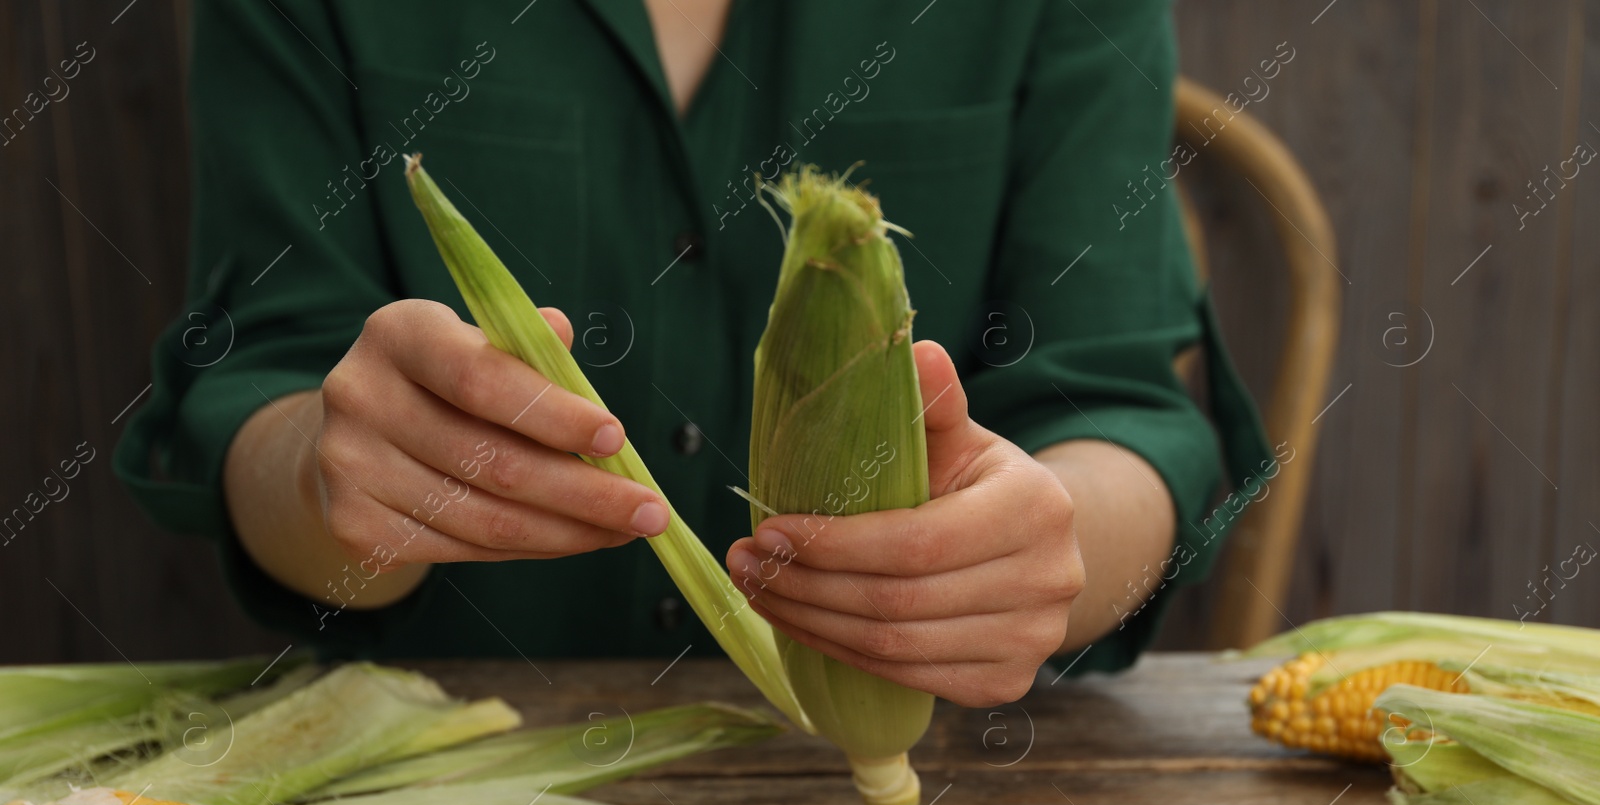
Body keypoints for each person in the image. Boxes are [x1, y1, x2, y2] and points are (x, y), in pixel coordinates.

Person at [114, 0, 1271, 707]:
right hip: (459, 795)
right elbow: (256, 377)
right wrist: (333, 480)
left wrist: (1043, 548)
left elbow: (1120, 405)